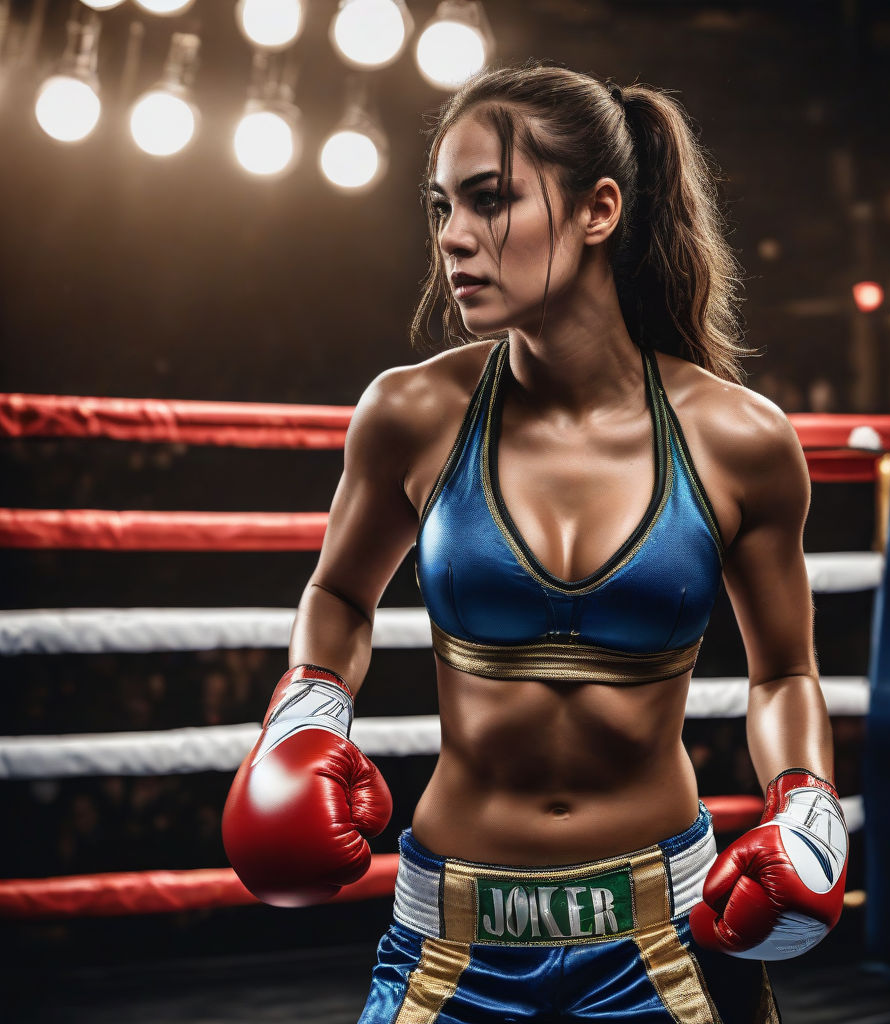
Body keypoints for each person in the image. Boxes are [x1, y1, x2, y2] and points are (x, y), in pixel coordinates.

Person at [221, 61, 848, 1023]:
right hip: (452, 934)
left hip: (661, 933)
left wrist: (808, 811)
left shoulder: (737, 438)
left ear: (598, 211)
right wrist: (308, 715)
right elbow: (340, 596)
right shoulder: (411, 412)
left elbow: (783, 675)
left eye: (490, 199)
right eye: (440, 208)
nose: (454, 239)